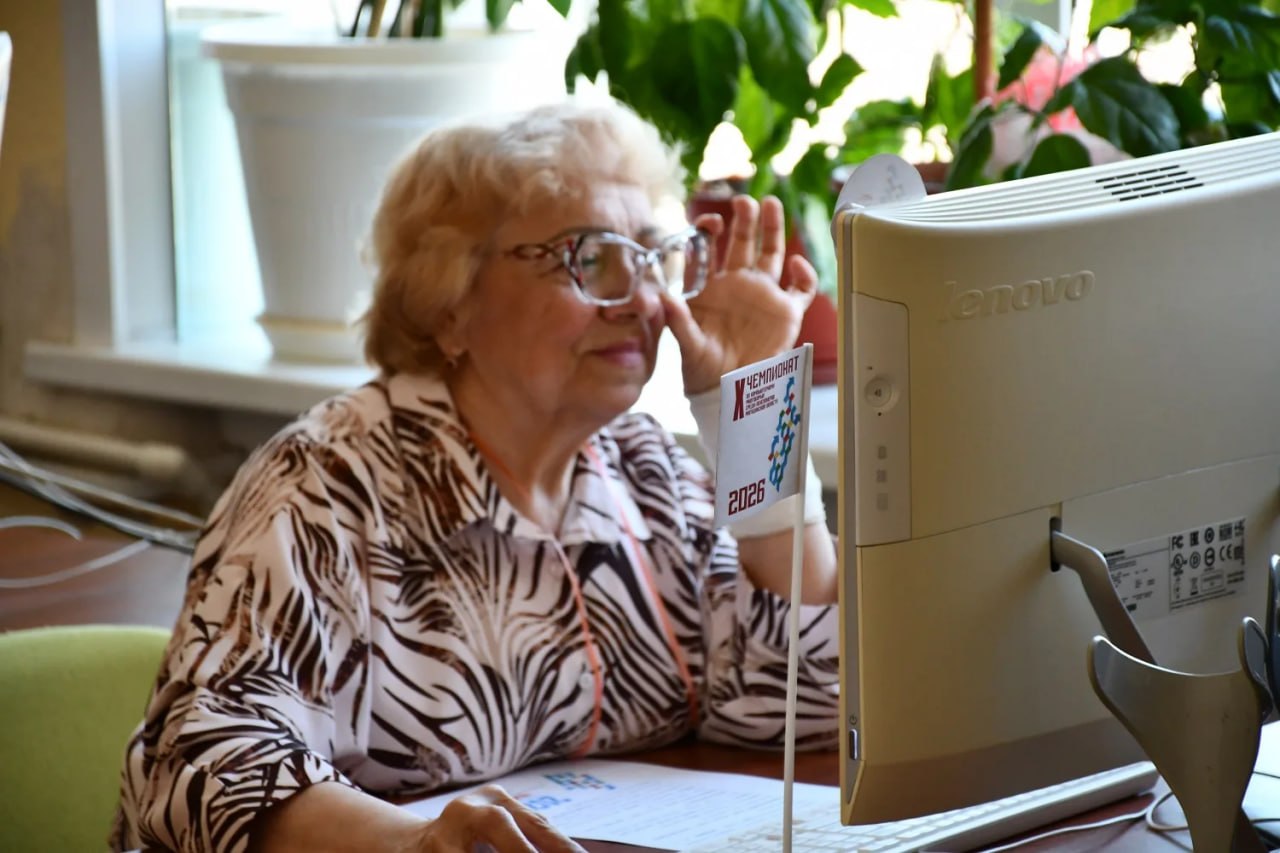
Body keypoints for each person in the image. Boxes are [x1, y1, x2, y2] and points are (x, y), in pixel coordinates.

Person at [112, 100, 839, 853]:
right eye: (590, 258)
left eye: (652, 257)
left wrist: (754, 410)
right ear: (450, 304)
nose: (644, 300)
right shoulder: (325, 486)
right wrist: (413, 842)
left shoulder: (641, 468)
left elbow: (805, 704)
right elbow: (201, 762)